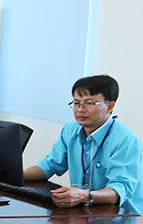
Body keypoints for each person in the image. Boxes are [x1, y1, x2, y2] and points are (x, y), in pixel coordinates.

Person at [24, 75, 143, 212]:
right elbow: (48, 166)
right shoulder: (70, 131)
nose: (80, 109)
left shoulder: (126, 140)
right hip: (84, 210)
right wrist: (10, 176)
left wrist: (85, 196)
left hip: (122, 216)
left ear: (110, 106)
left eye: (89, 103)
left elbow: (118, 191)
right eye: (76, 103)